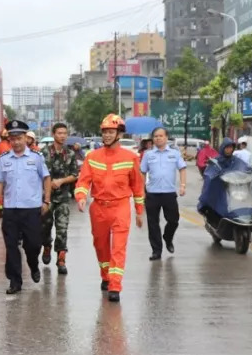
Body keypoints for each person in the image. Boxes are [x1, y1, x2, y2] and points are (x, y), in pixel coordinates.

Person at [74, 113, 144, 303]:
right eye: (104, 131)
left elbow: (137, 186)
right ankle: (105, 275)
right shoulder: (92, 157)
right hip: (98, 208)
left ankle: (115, 285)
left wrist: (139, 211)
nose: (106, 135)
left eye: (110, 131)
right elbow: (83, 181)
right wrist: (80, 197)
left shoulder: (131, 158)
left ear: (119, 134)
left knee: (118, 248)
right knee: (100, 245)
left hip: (120, 206)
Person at [0, 119, 51, 295]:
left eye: (19, 138)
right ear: (9, 140)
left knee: (33, 245)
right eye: (13, 138)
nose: (16, 142)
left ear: (26, 138)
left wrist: (46, 200)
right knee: (11, 247)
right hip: (10, 210)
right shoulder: (4, 160)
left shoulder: (36, 158)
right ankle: (15, 281)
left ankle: (33, 265)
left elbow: (46, 178)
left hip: (31, 210)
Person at [140, 126, 187, 261]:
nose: (158, 138)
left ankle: (168, 237)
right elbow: (142, 172)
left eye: (161, 136)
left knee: (173, 220)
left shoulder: (174, 153)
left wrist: (182, 186)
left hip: (169, 193)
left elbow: (182, 169)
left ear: (166, 138)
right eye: (155, 136)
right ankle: (156, 251)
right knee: (153, 223)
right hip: (152, 194)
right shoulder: (148, 154)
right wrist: (141, 190)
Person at [40, 122, 80, 275]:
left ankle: (61, 258)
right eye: (59, 133)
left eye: (65, 133)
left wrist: (61, 181)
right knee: (45, 227)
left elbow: (75, 175)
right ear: (53, 134)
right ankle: (47, 246)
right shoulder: (43, 153)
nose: (62, 136)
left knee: (62, 228)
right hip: (46, 198)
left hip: (63, 197)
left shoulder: (69, 154)